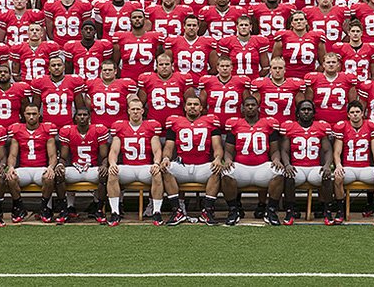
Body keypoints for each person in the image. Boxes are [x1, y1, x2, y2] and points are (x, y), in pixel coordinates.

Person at [160, 97, 223, 225]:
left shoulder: (210, 122)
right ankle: (177, 211)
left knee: (216, 170)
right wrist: (166, 158)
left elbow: (217, 146)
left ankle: (207, 211)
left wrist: (217, 159)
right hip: (182, 166)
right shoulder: (175, 123)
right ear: (185, 107)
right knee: (165, 169)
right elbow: (168, 147)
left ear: (201, 107)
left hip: (202, 166)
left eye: (195, 104)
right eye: (189, 104)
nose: (192, 107)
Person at [221, 97, 284, 226]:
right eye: (247, 105)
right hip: (241, 167)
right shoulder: (235, 125)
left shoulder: (268, 125)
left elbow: (274, 150)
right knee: (226, 174)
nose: (250, 107)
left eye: (253, 105)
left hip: (262, 167)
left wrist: (276, 159)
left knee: (279, 173)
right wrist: (227, 160)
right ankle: (233, 210)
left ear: (258, 108)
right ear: (243, 108)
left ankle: (270, 211)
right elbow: (228, 151)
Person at [105, 98, 164, 226]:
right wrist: (112, 163)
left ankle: (157, 212)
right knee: (112, 173)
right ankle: (115, 212)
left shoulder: (151, 126)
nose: (136, 112)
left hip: (145, 167)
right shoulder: (120, 127)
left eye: (138, 109)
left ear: (143, 111)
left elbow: (157, 149)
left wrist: (156, 163)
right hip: (128, 167)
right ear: (128, 111)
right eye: (133, 109)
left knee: (157, 174)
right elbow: (114, 150)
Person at [275, 100, 333, 225]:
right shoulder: (290, 128)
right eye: (303, 109)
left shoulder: (320, 128)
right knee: (288, 176)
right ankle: (290, 211)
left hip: (314, 167)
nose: (306, 112)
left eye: (309, 109)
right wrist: (287, 165)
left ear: (313, 113)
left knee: (327, 176)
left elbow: (328, 150)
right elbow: (284, 151)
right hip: (297, 167)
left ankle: (327, 211)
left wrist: (327, 165)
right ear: (297, 113)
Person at [331, 101, 374, 224]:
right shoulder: (342, 127)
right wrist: (338, 165)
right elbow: (337, 152)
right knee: (338, 178)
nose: (355, 115)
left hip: (365, 168)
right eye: (352, 112)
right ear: (348, 115)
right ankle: (340, 210)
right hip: (348, 168)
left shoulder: (370, 126)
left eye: (357, 112)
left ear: (362, 113)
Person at [4, 104, 59, 223]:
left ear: (39, 115)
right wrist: (11, 167)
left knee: (49, 178)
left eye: (34, 114)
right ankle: (19, 207)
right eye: (28, 114)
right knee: (11, 178)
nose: (31, 117)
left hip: (41, 168)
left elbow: (52, 155)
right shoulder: (18, 130)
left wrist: (51, 167)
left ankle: (44, 208)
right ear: (24, 115)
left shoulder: (46, 130)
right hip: (24, 169)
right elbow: (13, 155)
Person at [57, 107, 110, 224]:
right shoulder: (68, 131)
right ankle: (64, 208)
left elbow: (104, 156)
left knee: (104, 174)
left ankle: (99, 208)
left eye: (85, 115)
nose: (82, 117)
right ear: (75, 118)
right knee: (59, 175)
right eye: (79, 115)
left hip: (92, 168)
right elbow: (64, 156)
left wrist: (104, 165)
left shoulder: (98, 130)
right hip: (76, 168)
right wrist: (60, 164)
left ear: (89, 117)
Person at [30, 56, 88, 129]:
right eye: (53, 65)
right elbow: (34, 109)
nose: (56, 67)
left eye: (59, 65)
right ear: (49, 68)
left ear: (64, 67)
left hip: (68, 126)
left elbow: (80, 108)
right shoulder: (40, 82)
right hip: (47, 126)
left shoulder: (73, 81)